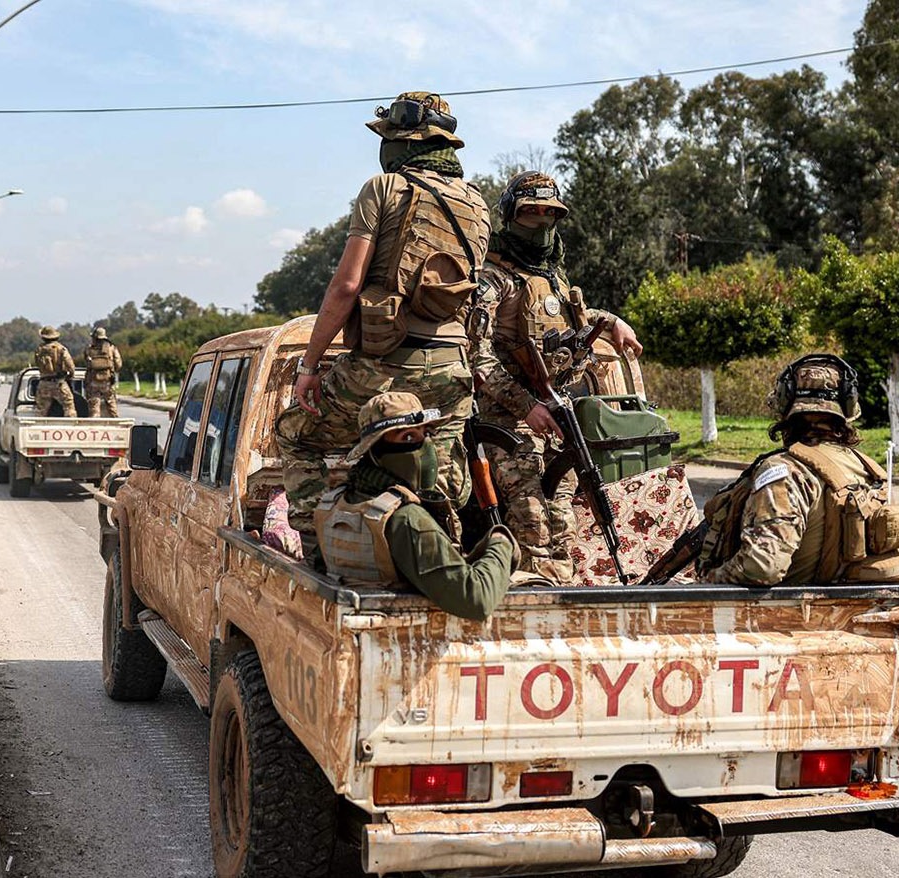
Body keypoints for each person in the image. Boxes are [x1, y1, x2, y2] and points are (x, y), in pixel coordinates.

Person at [275, 91, 492, 545]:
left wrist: (309, 367)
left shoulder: (384, 188)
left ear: (402, 142)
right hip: (453, 369)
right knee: (439, 471)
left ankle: (322, 552)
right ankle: (438, 557)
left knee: (297, 435)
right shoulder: (478, 203)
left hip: (384, 365)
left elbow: (346, 287)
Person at [472, 172, 643, 583]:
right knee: (531, 523)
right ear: (510, 217)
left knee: (563, 521)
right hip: (508, 423)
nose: (540, 224)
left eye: (550, 214)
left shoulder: (554, 276)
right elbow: (475, 356)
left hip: (557, 419)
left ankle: (562, 598)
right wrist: (525, 406)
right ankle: (530, 603)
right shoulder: (492, 280)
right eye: (529, 214)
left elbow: (573, 325)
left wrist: (613, 322)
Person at [696, 354, 899, 585]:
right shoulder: (869, 470)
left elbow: (762, 566)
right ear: (847, 409)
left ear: (784, 404)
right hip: (852, 610)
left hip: (790, 614)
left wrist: (708, 581)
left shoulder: (784, 471)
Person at [315, 392, 518, 621]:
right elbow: (476, 600)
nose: (425, 447)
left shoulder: (335, 503)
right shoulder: (406, 518)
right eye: (408, 438)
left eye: (427, 434)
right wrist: (501, 543)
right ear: (376, 450)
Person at [33, 325, 77, 417]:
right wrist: (70, 376)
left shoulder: (39, 350)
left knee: (40, 410)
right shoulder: (61, 349)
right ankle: (70, 427)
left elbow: (38, 364)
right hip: (59, 383)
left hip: (44, 383)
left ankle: (40, 428)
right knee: (69, 406)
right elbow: (71, 366)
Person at [83, 326, 123, 418]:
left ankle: (94, 426)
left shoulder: (89, 349)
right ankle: (115, 423)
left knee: (94, 406)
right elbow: (118, 364)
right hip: (107, 381)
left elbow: (87, 362)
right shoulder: (111, 348)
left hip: (93, 382)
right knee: (111, 404)